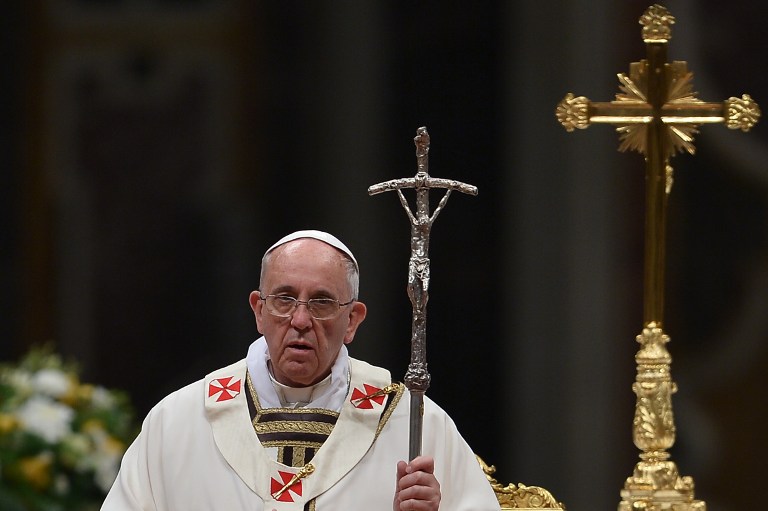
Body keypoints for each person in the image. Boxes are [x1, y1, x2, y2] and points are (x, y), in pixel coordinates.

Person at [102, 230, 500, 510]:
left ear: (353, 320)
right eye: (284, 299)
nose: (301, 319)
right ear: (258, 310)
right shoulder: (178, 423)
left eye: (323, 302)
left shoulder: (415, 425)